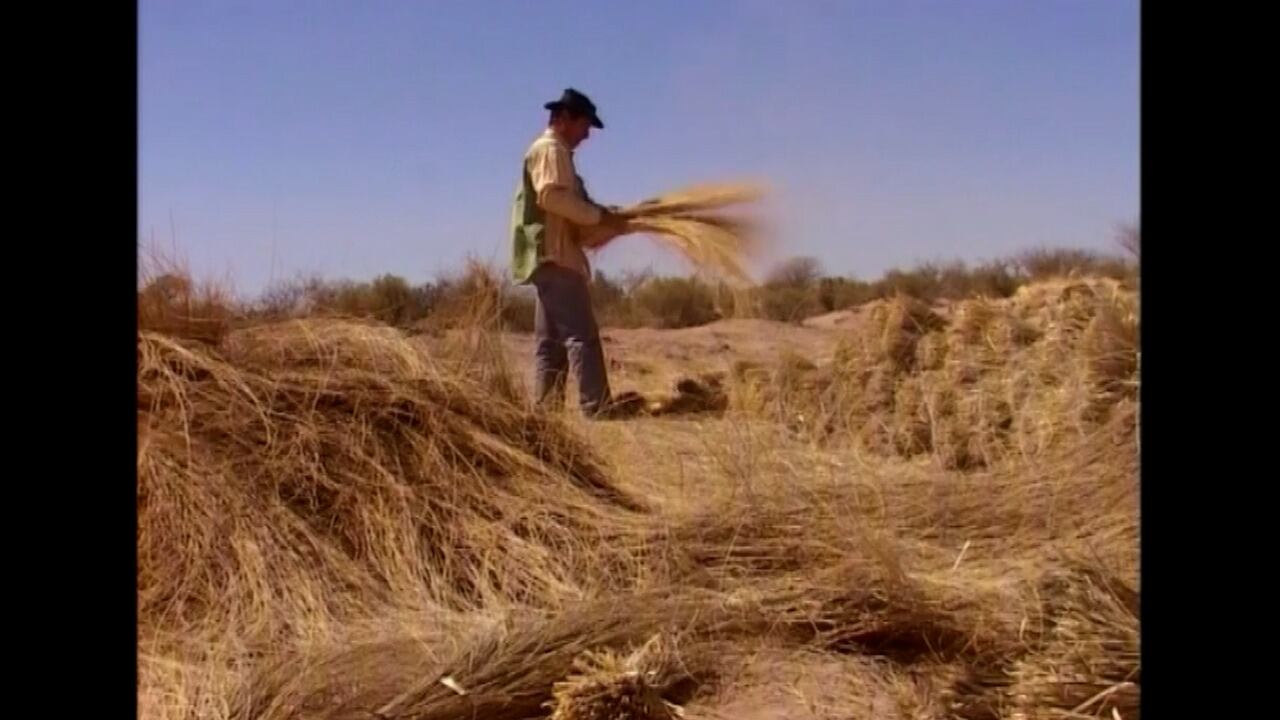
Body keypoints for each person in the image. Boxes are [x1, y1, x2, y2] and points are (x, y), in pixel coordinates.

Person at [510, 88, 632, 417]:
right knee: (582, 336)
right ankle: (597, 409)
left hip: (549, 258)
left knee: (551, 344)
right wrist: (599, 217)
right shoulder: (551, 150)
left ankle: (545, 413)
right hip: (557, 257)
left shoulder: (554, 152)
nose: (587, 134)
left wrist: (608, 218)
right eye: (584, 125)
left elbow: (570, 206)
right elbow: (552, 198)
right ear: (564, 120)